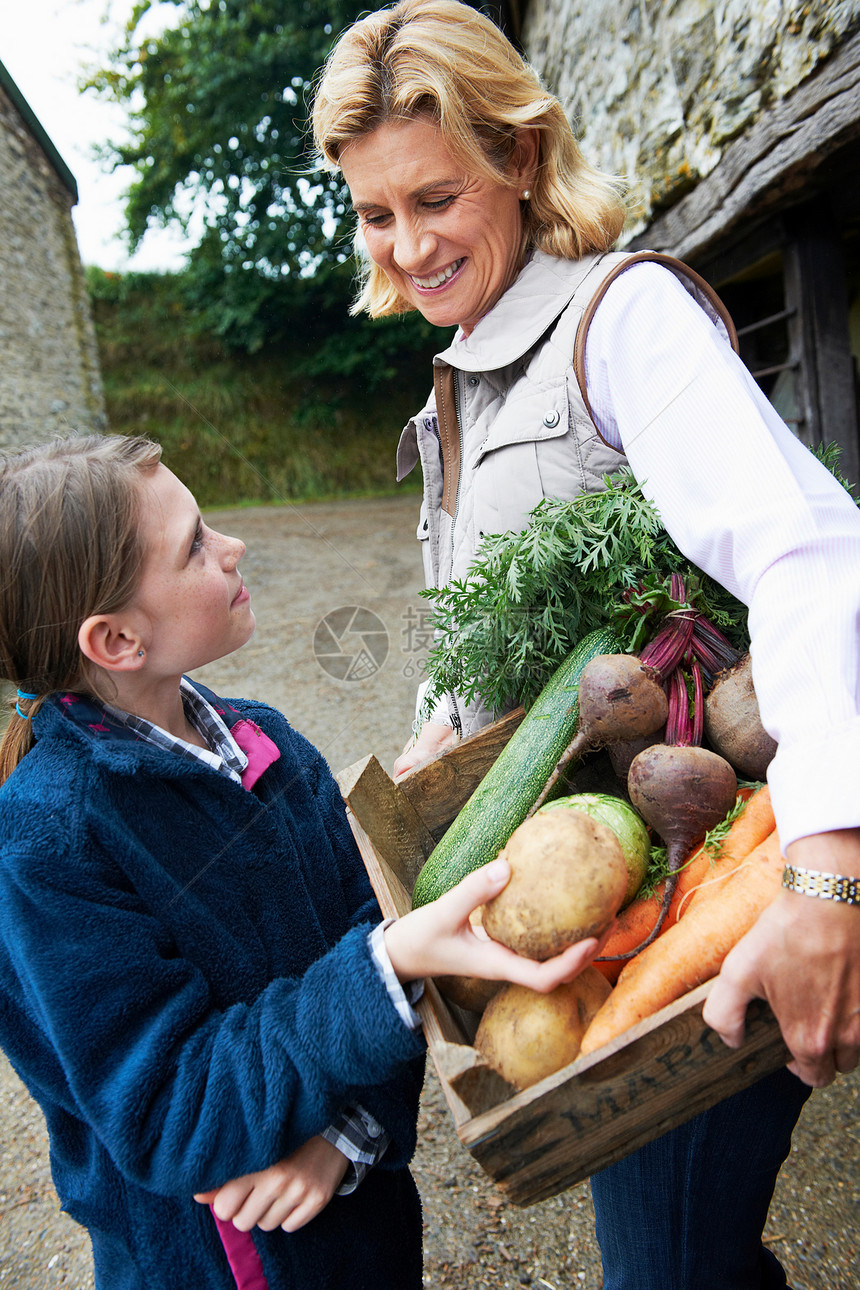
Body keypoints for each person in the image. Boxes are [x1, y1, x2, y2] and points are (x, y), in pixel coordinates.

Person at [311, 2, 860, 1286]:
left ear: (517, 154)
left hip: (708, 875)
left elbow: (809, 559)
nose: (408, 243)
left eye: (434, 196)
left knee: (665, 1266)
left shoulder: (619, 324)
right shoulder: (464, 368)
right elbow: (485, 618)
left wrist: (831, 877)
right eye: (374, 213)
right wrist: (440, 731)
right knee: (684, 1259)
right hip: (590, 883)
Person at [0, 433, 602, 1290]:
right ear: (118, 640)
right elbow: (171, 1110)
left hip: (359, 1212)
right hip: (230, 1255)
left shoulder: (265, 741)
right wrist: (385, 965)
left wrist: (352, 1133)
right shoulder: (48, 844)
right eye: (197, 545)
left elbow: (373, 936)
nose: (234, 547)